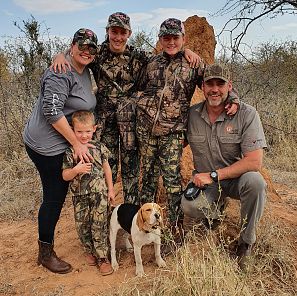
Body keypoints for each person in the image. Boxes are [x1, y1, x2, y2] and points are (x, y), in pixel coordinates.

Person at [52, 12, 201, 205]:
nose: (118, 37)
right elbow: (79, 52)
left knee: (131, 174)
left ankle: (131, 220)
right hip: (105, 125)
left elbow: (167, 56)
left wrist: (186, 51)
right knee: (107, 170)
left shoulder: (138, 57)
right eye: (114, 31)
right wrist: (59, 55)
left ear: (129, 33)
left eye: (123, 32)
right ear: (108, 31)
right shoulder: (98, 54)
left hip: (132, 124)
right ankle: (106, 222)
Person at [135, 18, 239, 246]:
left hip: (173, 134)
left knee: (172, 182)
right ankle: (144, 233)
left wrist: (233, 99)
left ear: (184, 39)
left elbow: (216, 84)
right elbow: (137, 88)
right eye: (166, 38)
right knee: (149, 181)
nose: (171, 42)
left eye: (176, 38)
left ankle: (173, 232)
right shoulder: (151, 63)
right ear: (160, 39)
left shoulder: (194, 64)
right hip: (147, 133)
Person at [23, 28, 98, 274]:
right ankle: (45, 253)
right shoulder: (60, 71)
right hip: (45, 144)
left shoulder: (84, 69)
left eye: (91, 48)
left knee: (56, 192)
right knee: (54, 196)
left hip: (62, 141)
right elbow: (52, 111)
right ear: (72, 45)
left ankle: (46, 248)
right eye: (82, 46)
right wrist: (77, 144)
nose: (86, 51)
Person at [181, 63, 267, 269]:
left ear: (229, 86)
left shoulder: (247, 114)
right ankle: (215, 212)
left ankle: (246, 243)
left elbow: (255, 161)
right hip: (206, 183)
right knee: (189, 205)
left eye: (220, 84)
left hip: (234, 179)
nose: (215, 89)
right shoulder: (191, 114)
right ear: (202, 86)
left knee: (256, 182)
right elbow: (174, 143)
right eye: (210, 84)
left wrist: (214, 174)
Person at [62, 111, 115, 275]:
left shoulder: (99, 147)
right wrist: (76, 170)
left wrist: (111, 189)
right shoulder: (70, 151)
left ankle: (103, 258)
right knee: (83, 225)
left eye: (87, 131)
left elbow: (107, 169)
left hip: (100, 194)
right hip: (80, 196)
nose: (84, 136)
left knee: (100, 224)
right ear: (73, 130)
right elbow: (65, 176)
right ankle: (89, 250)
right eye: (79, 132)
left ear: (94, 129)